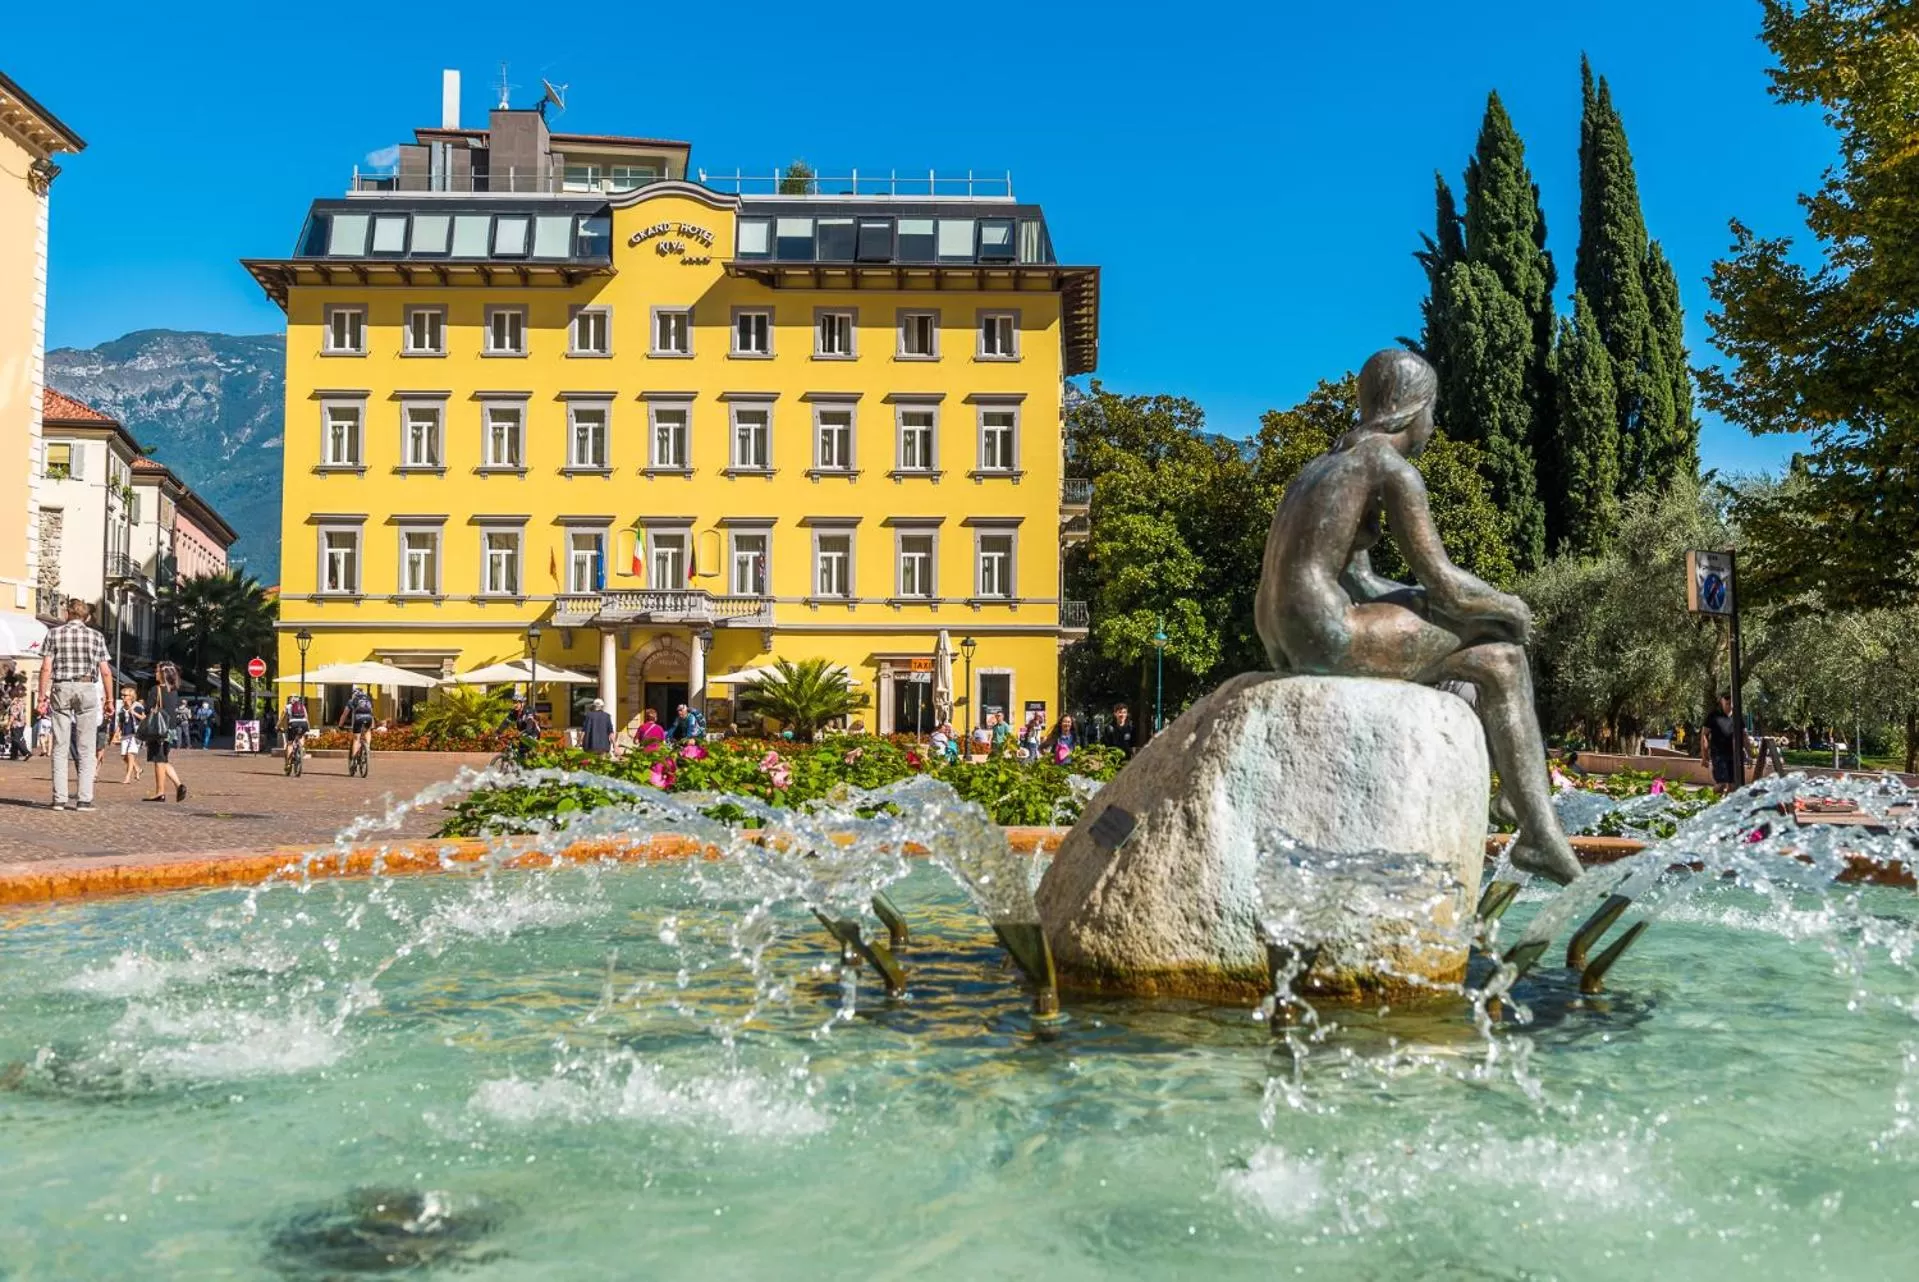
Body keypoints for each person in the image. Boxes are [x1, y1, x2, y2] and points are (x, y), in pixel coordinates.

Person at [1253, 348, 1582, 886]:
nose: (1432, 423)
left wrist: (1433, 604)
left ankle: (1523, 811)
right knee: (1505, 653)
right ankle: (1538, 833)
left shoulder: (1323, 468)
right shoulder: (1391, 468)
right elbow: (1447, 586)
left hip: (1285, 632)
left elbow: (1364, 584)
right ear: (1413, 409)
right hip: (1328, 634)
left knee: (1488, 661)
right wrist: (1507, 606)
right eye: (1432, 410)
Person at [36, 598, 113, 811]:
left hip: (61, 686)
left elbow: (46, 668)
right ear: (86, 617)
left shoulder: (54, 634)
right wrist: (109, 699)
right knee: (86, 746)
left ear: (67, 614)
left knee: (60, 745)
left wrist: (41, 697)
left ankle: (59, 799)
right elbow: (106, 671)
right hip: (87, 686)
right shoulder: (96, 636)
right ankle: (84, 799)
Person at [142, 660, 188, 802]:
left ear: (163, 674)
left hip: (158, 730)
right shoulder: (173, 691)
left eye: (157, 671)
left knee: (158, 760)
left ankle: (160, 792)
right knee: (164, 759)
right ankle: (179, 785)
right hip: (171, 729)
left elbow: (148, 708)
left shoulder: (156, 690)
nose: (155, 673)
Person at [1703, 692, 1741, 793]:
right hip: (1718, 754)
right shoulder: (1713, 716)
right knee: (1721, 784)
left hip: (1734, 755)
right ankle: (1713, 799)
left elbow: (1744, 736)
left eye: (1731, 703)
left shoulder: (1737, 716)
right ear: (1722, 702)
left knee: (1733, 786)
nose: (1729, 706)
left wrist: (1749, 754)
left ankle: (1726, 802)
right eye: (1727, 703)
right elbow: (1704, 735)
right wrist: (1704, 756)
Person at [112, 685, 146, 785]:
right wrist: (116, 734)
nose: (123, 697)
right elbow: (121, 723)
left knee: (130, 754)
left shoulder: (137, 706)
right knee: (124, 755)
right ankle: (137, 768)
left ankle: (127, 777)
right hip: (125, 733)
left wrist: (133, 712)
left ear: (131, 696)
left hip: (136, 733)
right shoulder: (122, 709)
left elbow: (144, 718)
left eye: (125, 695)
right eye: (122, 695)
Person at [338, 685, 375, 767]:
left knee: (356, 739)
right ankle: (367, 747)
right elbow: (371, 713)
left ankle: (354, 761)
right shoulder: (368, 699)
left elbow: (345, 714)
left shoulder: (352, 700)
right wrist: (372, 726)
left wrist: (340, 725)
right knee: (368, 731)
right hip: (369, 718)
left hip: (358, 718)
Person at [281, 691, 311, 769]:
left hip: (293, 724)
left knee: (290, 743)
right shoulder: (302, 706)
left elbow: (282, 718)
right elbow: (306, 717)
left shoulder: (287, 706)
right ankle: (301, 748)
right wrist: (308, 727)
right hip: (304, 724)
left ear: (290, 699)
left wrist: (277, 726)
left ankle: (288, 764)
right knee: (301, 736)